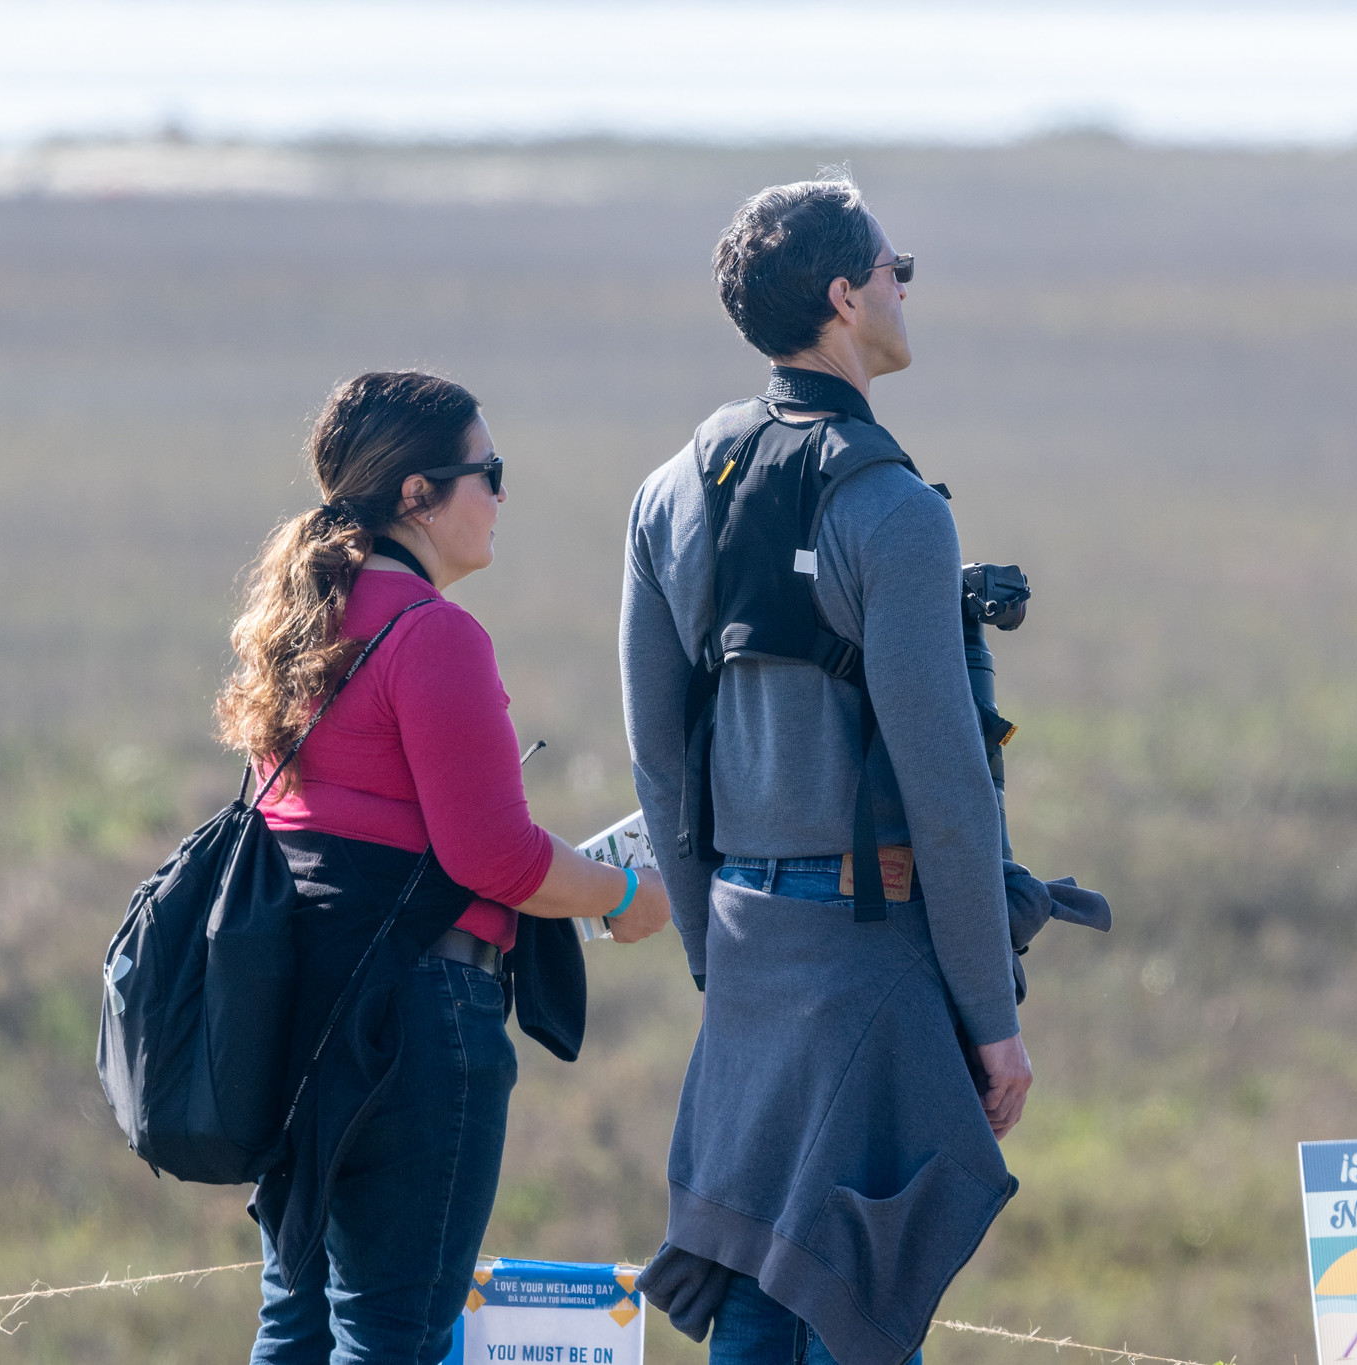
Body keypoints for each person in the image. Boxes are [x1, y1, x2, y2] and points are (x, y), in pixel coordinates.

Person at [621, 177, 1030, 1365]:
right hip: (867, 951)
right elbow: (947, 791)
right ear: (846, 297)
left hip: (747, 941)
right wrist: (989, 1018)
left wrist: (714, 949)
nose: (906, 285)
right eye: (895, 267)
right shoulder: (895, 509)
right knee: (848, 1301)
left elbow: (657, 758)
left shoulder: (666, 493)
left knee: (759, 1278)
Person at [216, 370, 671, 1365]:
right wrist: (625, 895)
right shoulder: (433, 636)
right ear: (417, 496)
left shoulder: (299, 624)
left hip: (296, 1013)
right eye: (488, 473)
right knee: (393, 1337)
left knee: (294, 1325)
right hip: (414, 1030)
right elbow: (495, 857)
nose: (501, 497)